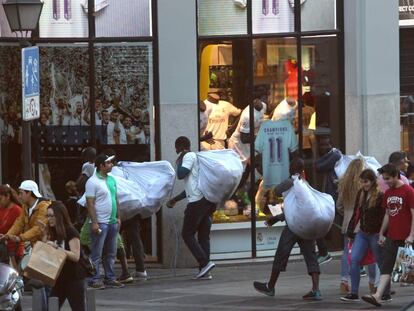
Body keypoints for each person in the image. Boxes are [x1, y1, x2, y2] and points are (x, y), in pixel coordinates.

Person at [253, 158, 322, 301]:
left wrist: (275, 216)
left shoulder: (290, 182)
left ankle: (270, 286)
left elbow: (275, 193)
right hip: (307, 226)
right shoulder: (306, 185)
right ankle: (316, 290)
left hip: (293, 226)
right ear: (303, 170)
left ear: (290, 169)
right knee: (311, 256)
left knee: (281, 254)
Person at [362, 164, 414, 307]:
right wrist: (381, 233)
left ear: (396, 175)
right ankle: (377, 296)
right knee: (386, 266)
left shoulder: (408, 191)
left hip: (407, 238)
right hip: (392, 236)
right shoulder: (389, 193)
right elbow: (387, 214)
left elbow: (413, 214)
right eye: (384, 179)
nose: (387, 182)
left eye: (388, 178)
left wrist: (411, 235)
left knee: (409, 270)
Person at [167, 136, 216, 279]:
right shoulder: (196, 158)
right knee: (203, 236)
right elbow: (191, 187)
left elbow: (181, 174)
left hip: (197, 203)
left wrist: (179, 161)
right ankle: (205, 270)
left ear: (181, 146)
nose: (175, 150)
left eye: (176, 147)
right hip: (206, 201)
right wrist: (175, 199)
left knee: (187, 234)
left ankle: (204, 262)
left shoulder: (188, 156)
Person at [341, 169, 385, 302]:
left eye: (365, 182)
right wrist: (350, 233)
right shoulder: (361, 193)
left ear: (372, 181)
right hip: (362, 232)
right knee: (354, 259)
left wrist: (383, 234)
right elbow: (356, 214)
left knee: (381, 263)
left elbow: (384, 216)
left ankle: (385, 291)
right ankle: (354, 293)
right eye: (362, 182)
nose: (363, 184)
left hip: (375, 234)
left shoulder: (380, 195)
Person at [85, 154, 124, 289]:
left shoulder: (112, 180)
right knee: (97, 252)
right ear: (101, 166)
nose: (111, 165)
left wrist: (118, 217)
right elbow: (90, 203)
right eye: (108, 163)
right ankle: (95, 278)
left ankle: (109, 277)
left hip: (112, 221)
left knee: (111, 252)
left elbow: (116, 199)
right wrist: (94, 222)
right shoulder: (92, 181)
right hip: (100, 221)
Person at [47, 201, 87, 310]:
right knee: (51, 306)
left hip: (74, 277)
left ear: (59, 216)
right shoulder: (53, 232)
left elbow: (75, 256)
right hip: (60, 277)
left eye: (51, 216)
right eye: (47, 216)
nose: (49, 219)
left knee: (78, 308)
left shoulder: (71, 232)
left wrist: (57, 248)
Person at [314, 136, 342, 265]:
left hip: (334, 198)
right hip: (329, 197)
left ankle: (324, 253)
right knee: (320, 225)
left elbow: (319, 166)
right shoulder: (331, 155)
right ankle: (324, 252)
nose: (323, 148)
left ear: (332, 144)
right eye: (321, 145)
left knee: (320, 224)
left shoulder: (336, 155)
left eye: (326, 145)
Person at [0, 180, 50, 247]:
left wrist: (20, 238)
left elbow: (38, 228)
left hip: (45, 245)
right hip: (34, 245)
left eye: (21, 193)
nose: (19, 196)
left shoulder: (44, 207)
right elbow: (19, 223)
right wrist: (7, 235)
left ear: (29, 193)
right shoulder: (25, 206)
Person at [0, 185, 24, 269]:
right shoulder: (1, 209)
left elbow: (19, 230)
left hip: (13, 249)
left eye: (0, 199)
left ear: (8, 196)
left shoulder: (17, 210)